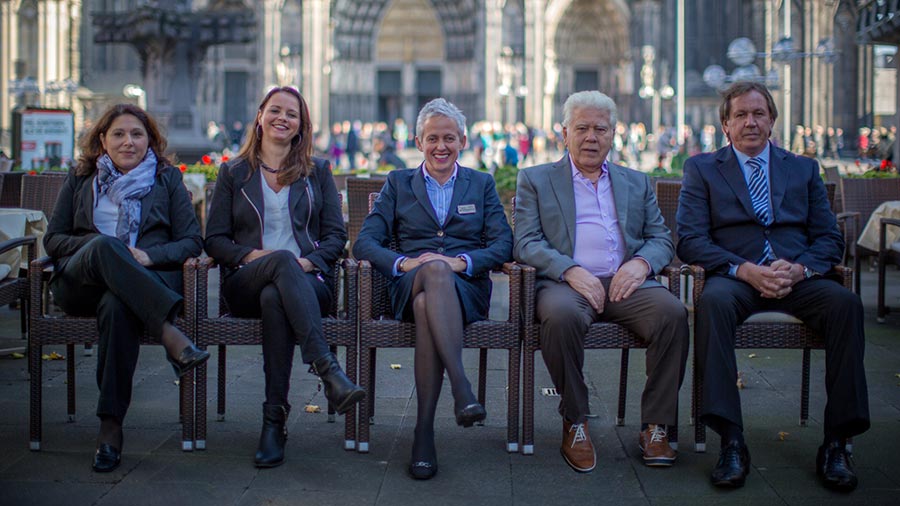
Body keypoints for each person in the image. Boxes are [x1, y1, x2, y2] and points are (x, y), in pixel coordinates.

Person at [676, 81, 869, 491]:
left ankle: (837, 443)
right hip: (736, 277)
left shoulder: (802, 168)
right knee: (712, 305)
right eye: (741, 115)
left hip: (795, 275)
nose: (750, 122)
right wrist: (743, 269)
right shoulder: (702, 169)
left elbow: (830, 238)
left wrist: (800, 270)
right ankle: (731, 440)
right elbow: (690, 239)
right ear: (725, 125)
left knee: (847, 305)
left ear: (773, 121)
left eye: (758, 114)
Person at [513, 91, 689, 473]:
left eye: (600, 129)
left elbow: (662, 238)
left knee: (673, 314)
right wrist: (571, 271)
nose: (591, 137)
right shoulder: (536, 179)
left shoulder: (637, 182)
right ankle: (575, 421)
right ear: (564, 133)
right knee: (560, 319)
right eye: (582, 128)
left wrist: (641, 264)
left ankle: (656, 426)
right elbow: (525, 242)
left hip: (628, 284)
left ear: (613, 135)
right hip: (565, 285)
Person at [43, 103, 209, 473]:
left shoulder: (166, 180)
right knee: (106, 245)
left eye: (137, 134)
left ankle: (110, 429)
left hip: (142, 282)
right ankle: (169, 332)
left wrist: (147, 257)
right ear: (102, 139)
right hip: (79, 283)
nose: (128, 142)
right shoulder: (81, 177)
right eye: (118, 134)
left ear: (150, 139)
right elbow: (53, 240)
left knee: (118, 306)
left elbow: (190, 242)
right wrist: (103, 250)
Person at [353, 98, 513, 480]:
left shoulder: (482, 183)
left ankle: (423, 432)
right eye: (432, 139)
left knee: (431, 299)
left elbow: (504, 243)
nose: (441, 147)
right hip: (408, 286)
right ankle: (461, 387)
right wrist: (406, 263)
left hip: (466, 291)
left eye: (449, 138)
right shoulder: (397, 183)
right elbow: (364, 242)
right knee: (426, 287)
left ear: (462, 140)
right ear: (418, 141)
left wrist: (462, 263)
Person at [205, 86, 364, 468]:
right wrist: (253, 255)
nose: (282, 118)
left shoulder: (317, 172)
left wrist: (306, 263)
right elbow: (213, 240)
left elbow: (335, 238)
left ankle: (273, 422)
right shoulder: (233, 172)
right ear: (260, 117)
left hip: (307, 283)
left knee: (277, 297)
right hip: (246, 281)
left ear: (300, 126)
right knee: (277, 265)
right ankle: (327, 369)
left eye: (291, 114)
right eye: (275, 110)